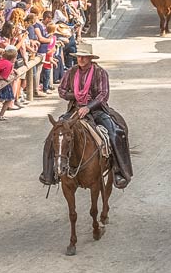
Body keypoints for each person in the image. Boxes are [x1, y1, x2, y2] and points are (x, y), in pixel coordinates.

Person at [40, 43, 133, 189]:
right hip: (74, 109)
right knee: (54, 134)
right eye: (79, 57)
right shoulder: (71, 72)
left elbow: (103, 95)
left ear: (90, 58)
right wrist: (76, 96)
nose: (81, 59)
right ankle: (49, 172)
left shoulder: (100, 72)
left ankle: (119, 170)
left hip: (96, 110)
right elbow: (62, 91)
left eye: (84, 57)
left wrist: (88, 107)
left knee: (116, 132)